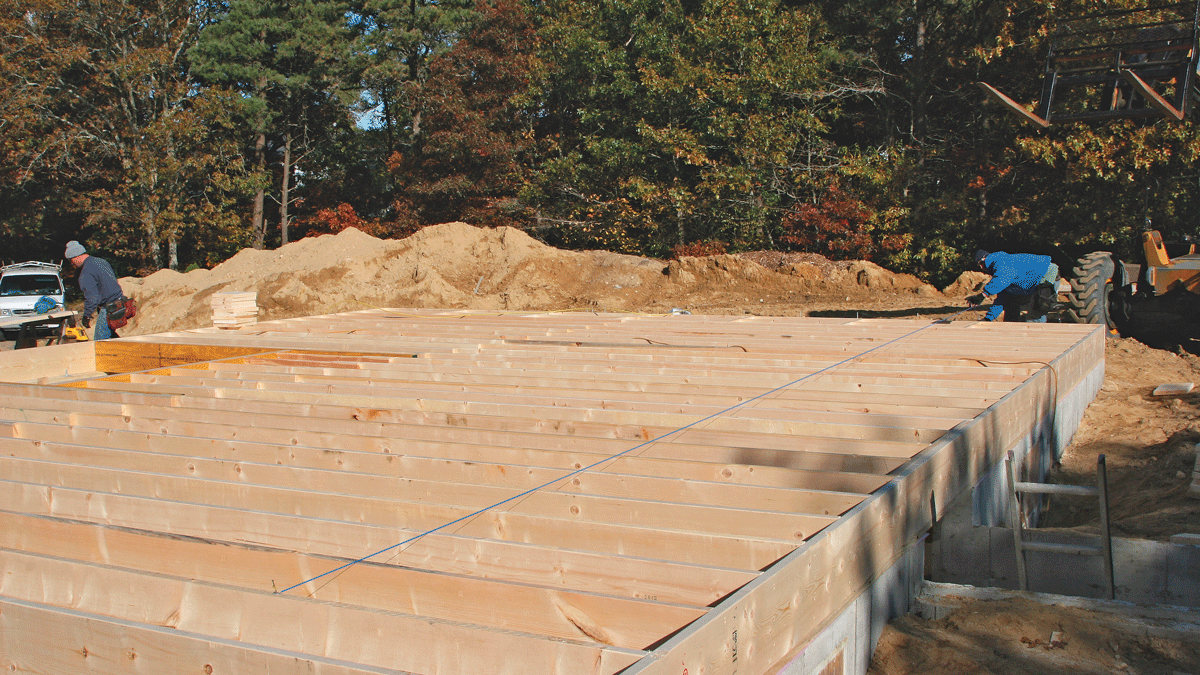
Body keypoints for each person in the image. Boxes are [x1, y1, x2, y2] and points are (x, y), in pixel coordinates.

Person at [968, 249, 1059, 322]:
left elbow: (1001, 279)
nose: (981, 268)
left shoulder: (1001, 261)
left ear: (983, 261)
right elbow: (1002, 298)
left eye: (980, 265)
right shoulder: (1000, 269)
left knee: (1036, 312)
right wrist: (989, 318)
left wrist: (984, 294)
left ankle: (1035, 341)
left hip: (1046, 274)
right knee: (1011, 304)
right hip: (1033, 282)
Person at [65, 240, 126, 340]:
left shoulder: (86, 272)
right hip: (120, 303)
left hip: (109, 308)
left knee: (100, 340)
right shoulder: (101, 261)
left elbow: (93, 297)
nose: (72, 263)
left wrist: (87, 316)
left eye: (70, 260)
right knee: (110, 336)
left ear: (75, 257)